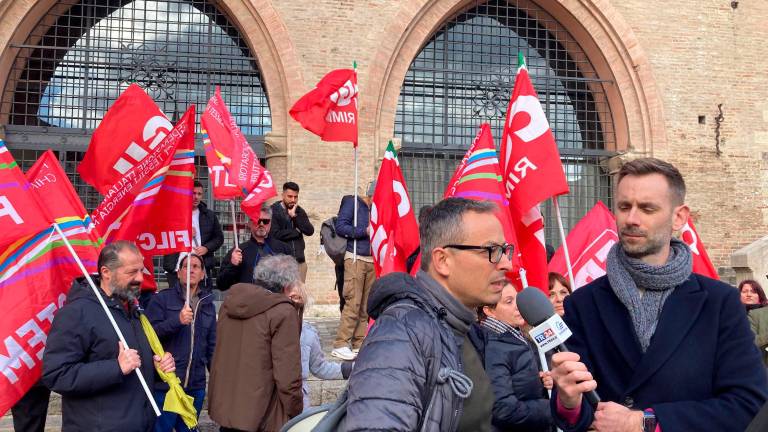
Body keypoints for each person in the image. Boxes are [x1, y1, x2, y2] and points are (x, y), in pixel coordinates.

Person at [549, 158, 767, 432]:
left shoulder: (719, 302)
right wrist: (568, 401)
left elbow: (748, 403)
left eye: (647, 208)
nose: (631, 219)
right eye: (624, 207)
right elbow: (574, 415)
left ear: (679, 217)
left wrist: (645, 422)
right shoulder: (583, 303)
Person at [340, 197, 513, 432]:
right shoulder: (402, 333)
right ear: (442, 261)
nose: (506, 264)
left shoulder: (467, 329)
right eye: (491, 251)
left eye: (505, 251)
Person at [42, 241, 176, 432]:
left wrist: (156, 367)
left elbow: (134, 365)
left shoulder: (133, 311)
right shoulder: (76, 312)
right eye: (132, 272)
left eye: (141, 270)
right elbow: (56, 375)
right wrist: (116, 367)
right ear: (106, 272)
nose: (140, 278)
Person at [208, 254, 303, 432]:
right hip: (262, 415)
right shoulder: (283, 312)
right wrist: (296, 410)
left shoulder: (229, 303)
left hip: (228, 409)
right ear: (288, 285)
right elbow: (288, 373)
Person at [145, 253, 216, 432]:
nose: (190, 270)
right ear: (178, 273)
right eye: (186, 266)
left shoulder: (207, 304)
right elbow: (148, 336)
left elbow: (212, 346)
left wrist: (215, 378)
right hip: (166, 385)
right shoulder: (161, 299)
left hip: (195, 386)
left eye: (196, 267)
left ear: (202, 274)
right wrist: (177, 320)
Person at [471, 282, 553, 432]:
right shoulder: (493, 345)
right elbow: (503, 408)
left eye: (518, 299)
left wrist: (543, 382)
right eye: (509, 302)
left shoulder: (517, 336)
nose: (518, 306)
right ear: (489, 311)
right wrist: (553, 409)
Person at [293, 281, 353, 411]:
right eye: (291, 297)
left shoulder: (308, 333)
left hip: (299, 401)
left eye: (297, 297)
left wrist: (351, 368)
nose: (294, 301)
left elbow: (319, 367)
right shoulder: (265, 329)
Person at [331, 184, 376, 361]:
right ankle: (341, 343)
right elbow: (341, 226)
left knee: (365, 306)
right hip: (355, 258)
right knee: (353, 302)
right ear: (371, 195)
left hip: (371, 260)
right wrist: (363, 231)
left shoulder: (376, 209)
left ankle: (358, 343)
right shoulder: (353, 203)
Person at [162, 181, 224, 291]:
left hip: (201, 268)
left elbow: (219, 238)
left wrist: (206, 248)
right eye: (193, 193)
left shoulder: (209, 215)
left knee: (201, 300)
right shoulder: (173, 214)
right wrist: (183, 232)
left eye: (199, 194)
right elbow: (163, 235)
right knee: (177, 300)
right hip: (176, 268)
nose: (196, 197)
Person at [216, 203, 292, 291]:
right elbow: (221, 285)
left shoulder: (284, 249)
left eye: (265, 221)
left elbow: (292, 281)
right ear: (250, 223)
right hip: (247, 298)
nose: (261, 224)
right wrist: (232, 265)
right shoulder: (238, 252)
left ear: (270, 223)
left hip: (276, 298)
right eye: (257, 220)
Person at [270, 181, 315, 282]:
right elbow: (275, 234)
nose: (293, 200)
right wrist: (296, 232)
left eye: (295, 197)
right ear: (283, 195)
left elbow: (309, 231)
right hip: (280, 262)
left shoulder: (299, 211)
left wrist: (294, 217)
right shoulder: (273, 211)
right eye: (290, 196)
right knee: (281, 291)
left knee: (299, 291)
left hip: (299, 262)